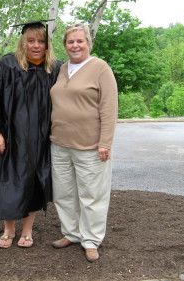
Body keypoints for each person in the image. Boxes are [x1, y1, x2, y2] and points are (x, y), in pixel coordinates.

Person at [0, 20, 62, 249]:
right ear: (23, 42)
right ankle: (9, 229)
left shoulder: (55, 69)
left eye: (41, 41)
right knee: (8, 182)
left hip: (40, 140)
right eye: (31, 41)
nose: (36, 45)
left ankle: (27, 231)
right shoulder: (5, 66)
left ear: (48, 44)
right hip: (10, 138)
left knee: (33, 183)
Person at [49, 23, 118, 262]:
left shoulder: (100, 68)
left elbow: (109, 108)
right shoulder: (62, 69)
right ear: (65, 45)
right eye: (70, 42)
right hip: (59, 144)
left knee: (92, 195)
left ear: (89, 43)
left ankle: (91, 240)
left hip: (91, 146)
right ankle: (72, 233)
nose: (75, 45)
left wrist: (105, 143)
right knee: (64, 194)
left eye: (80, 41)